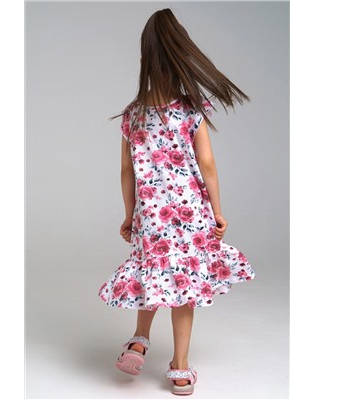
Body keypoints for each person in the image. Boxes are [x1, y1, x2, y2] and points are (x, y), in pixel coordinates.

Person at [98, 8, 256, 396]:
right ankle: (180, 369)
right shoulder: (191, 109)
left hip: (151, 216)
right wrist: (217, 211)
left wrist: (129, 215)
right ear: (180, 57)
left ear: (144, 61)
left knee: (152, 275)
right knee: (183, 286)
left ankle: (139, 342)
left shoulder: (132, 116)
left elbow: (126, 172)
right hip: (191, 217)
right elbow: (207, 164)